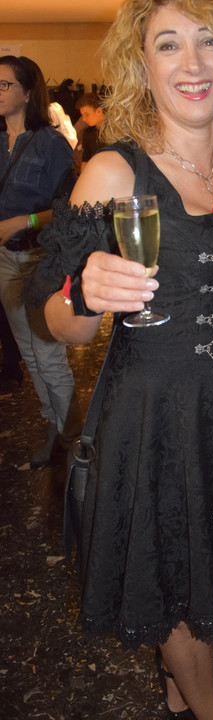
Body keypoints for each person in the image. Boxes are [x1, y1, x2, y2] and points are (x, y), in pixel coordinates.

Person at [29, 0, 213, 720]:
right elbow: (57, 321)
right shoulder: (114, 169)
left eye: (208, 41)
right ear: (142, 65)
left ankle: (172, 697)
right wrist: (84, 293)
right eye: (168, 45)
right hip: (154, 416)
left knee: (201, 571)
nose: (191, 63)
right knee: (173, 579)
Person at [0, 55, 81, 467]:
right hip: (5, 259)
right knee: (29, 354)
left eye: (4, 84)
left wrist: (24, 220)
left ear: (28, 91)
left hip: (40, 257)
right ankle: (54, 424)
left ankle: (71, 437)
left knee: (47, 354)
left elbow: (70, 208)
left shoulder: (49, 142)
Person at [75, 92, 105, 170]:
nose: (84, 119)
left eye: (87, 114)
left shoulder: (115, 133)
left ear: (99, 111)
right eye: (82, 115)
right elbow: (85, 160)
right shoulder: (88, 133)